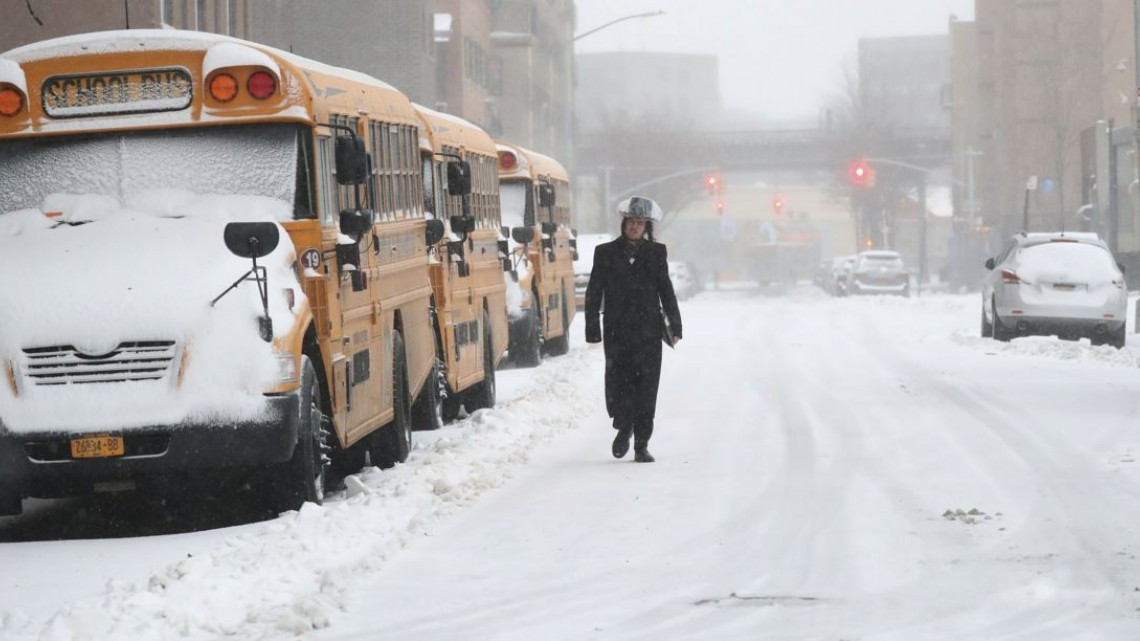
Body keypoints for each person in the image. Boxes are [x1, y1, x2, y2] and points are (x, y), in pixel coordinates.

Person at [584, 196, 683, 463]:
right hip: (616, 330)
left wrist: (675, 324)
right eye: (631, 222)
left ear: (646, 227)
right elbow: (594, 291)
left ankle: (641, 444)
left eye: (640, 223)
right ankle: (623, 427)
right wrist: (592, 325)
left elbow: (666, 290)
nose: (634, 227)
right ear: (624, 223)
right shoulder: (605, 253)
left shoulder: (656, 253)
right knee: (618, 383)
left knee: (647, 387)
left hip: (649, 331)